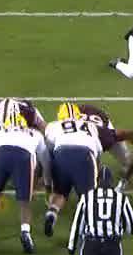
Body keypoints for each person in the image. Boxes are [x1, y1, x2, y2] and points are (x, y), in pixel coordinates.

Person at [0, 100, 49, 253]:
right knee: (24, 200)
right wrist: (47, 181)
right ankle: (25, 232)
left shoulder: (0, 134)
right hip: (23, 158)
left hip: (2, 156)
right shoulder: (35, 134)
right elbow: (45, 160)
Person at [43, 102, 104, 240]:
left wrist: (49, 176)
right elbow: (98, 152)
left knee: (59, 192)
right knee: (89, 198)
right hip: (84, 155)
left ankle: (52, 212)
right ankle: (90, 229)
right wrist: (96, 173)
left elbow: (48, 150)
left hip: (61, 154)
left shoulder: (53, 126)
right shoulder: (90, 126)